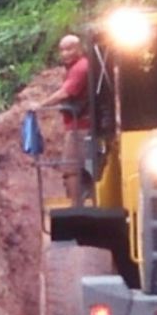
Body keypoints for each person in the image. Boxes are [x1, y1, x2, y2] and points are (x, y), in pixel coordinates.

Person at [44, 34, 92, 204]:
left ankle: (76, 207)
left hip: (80, 127)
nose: (65, 53)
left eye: (69, 48)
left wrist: (41, 105)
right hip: (77, 124)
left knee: (71, 169)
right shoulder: (77, 67)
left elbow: (65, 92)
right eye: (62, 50)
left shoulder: (80, 68)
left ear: (79, 49)